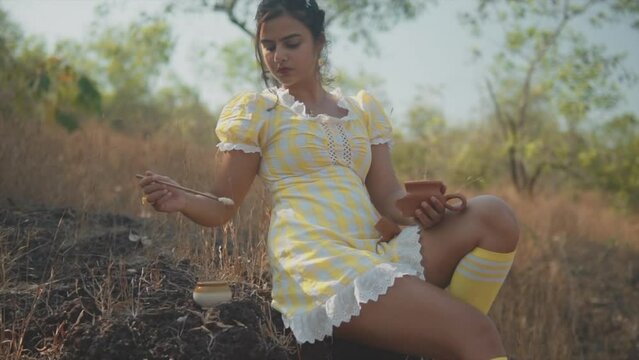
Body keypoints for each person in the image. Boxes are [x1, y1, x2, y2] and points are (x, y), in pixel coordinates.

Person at [138, 0, 519, 358]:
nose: (278, 56)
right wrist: (182, 200)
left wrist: (420, 209)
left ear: (319, 43)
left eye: (291, 43)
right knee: (477, 332)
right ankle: (452, 338)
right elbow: (221, 207)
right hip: (318, 262)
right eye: (268, 46)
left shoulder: (360, 111)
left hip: (373, 250)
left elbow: (389, 196)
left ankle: (437, 340)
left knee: (492, 214)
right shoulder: (260, 112)